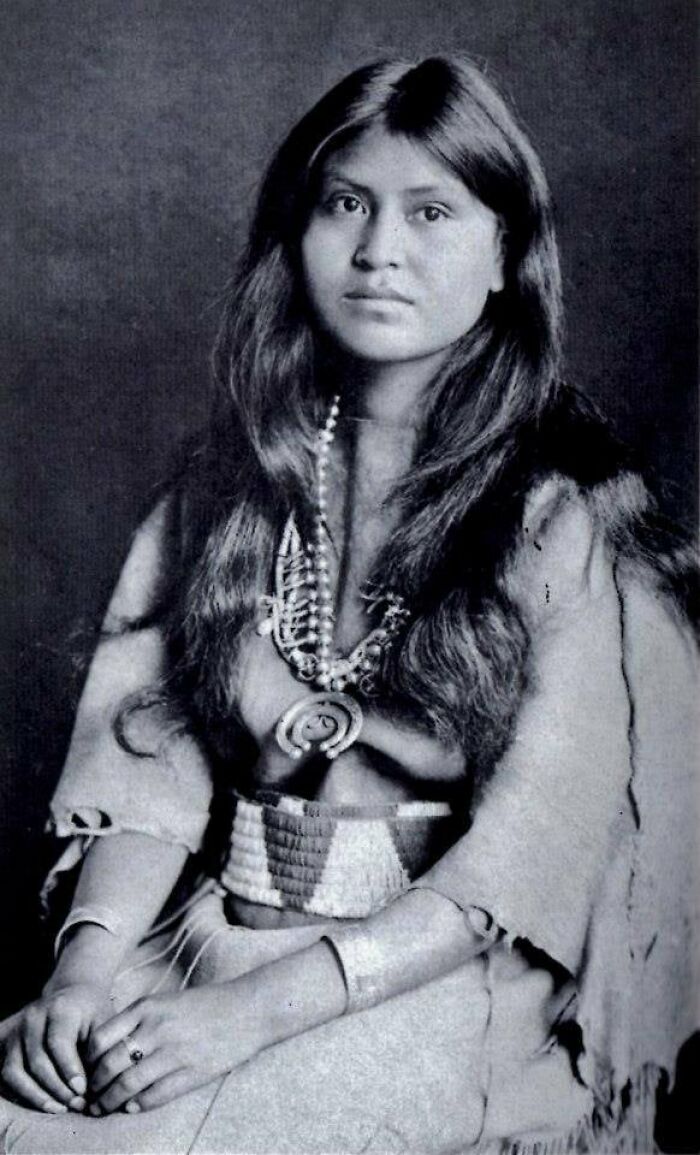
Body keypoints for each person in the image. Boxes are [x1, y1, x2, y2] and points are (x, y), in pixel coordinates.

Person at [1, 54, 697, 1154]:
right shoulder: (228, 490)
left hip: (433, 982)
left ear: (505, 254)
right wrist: (81, 977)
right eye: (346, 205)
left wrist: (249, 1017)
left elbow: (530, 854)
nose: (380, 251)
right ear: (297, 232)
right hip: (213, 944)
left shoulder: (557, 517)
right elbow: (148, 771)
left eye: (431, 212)